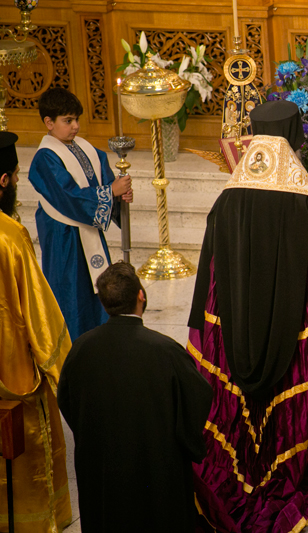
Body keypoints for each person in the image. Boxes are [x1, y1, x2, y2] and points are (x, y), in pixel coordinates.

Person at [188, 100, 308, 533]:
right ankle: (285, 472)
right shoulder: (305, 200)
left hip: (233, 332)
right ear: (294, 135)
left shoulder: (227, 199)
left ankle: (241, 468)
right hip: (293, 332)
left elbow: (209, 270)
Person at [57, 262, 212, 533]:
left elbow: (67, 401)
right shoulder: (166, 351)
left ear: (104, 303)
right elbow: (198, 398)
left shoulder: (81, 349)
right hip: (156, 468)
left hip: (102, 470)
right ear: (141, 295)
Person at [0, 131, 73, 531]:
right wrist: (68, 379)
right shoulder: (9, 236)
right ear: (4, 181)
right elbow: (40, 319)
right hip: (11, 379)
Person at [27, 87, 133, 340]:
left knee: (97, 290)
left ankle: (101, 341)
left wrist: (119, 195)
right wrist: (110, 192)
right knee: (71, 294)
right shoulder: (45, 158)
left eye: (76, 119)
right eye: (68, 121)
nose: (75, 126)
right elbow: (68, 196)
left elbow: (105, 180)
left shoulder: (86, 149)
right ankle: (72, 348)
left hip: (89, 231)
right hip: (64, 238)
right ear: (49, 123)